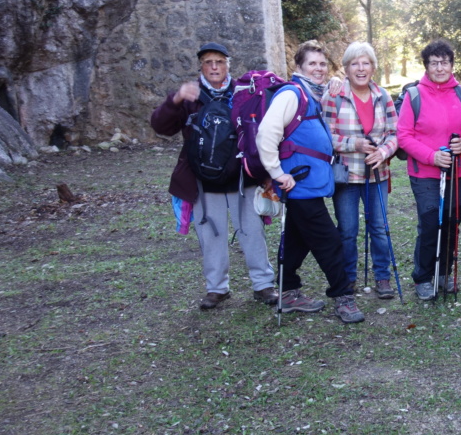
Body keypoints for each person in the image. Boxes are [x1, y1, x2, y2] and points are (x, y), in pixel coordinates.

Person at [150, 42, 277, 309]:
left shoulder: (244, 92)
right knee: (211, 235)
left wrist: (265, 172)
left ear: (229, 64)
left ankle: (263, 285)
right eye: (208, 62)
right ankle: (217, 288)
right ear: (201, 67)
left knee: (252, 231)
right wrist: (175, 99)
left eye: (219, 61)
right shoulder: (190, 96)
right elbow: (161, 126)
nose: (214, 67)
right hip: (203, 180)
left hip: (243, 178)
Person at [255, 48, 364, 323]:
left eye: (323, 64)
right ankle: (343, 296)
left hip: (307, 184)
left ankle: (288, 290)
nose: (319, 68)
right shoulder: (292, 94)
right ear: (299, 67)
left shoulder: (310, 94)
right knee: (329, 242)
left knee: (297, 239)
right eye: (312, 63)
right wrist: (277, 172)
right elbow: (266, 133)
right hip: (298, 184)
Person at [397, 39, 461, 300]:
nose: (440, 68)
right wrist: (432, 156)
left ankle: (444, 272)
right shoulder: (414, 95)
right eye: (434, 63)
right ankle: (423, 276)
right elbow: (403, 135)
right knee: (430, 221)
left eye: (444, 62)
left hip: (458, 172)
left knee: (452, 222)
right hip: (425, 173)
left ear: (451, 65)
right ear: (426, 66)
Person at [322, 42, 399, 299]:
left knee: (378, 226)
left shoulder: (383, 96)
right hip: (346, 175)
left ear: (373, 67)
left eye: (366, 63)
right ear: (345, 68)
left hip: (377, 173)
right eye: (355, 63)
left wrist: (384, 152)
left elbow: (394, 133)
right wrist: (353, 144)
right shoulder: (333, 96)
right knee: (347, 230)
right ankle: (348, 279)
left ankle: (383, 276)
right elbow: (325, 137)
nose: (361, 68)